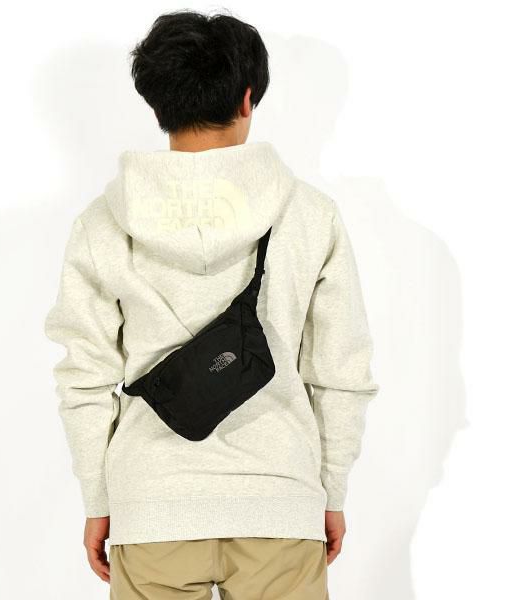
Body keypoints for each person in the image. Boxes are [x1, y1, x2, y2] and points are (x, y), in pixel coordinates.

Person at [44, 9, 379, 599]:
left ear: (157, 104)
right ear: (248, 98)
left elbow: (84, 379)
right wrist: (329, 491)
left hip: (153, 506)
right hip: (279, 501)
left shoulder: (102, 224)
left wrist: (100, 500)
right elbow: (339, 373)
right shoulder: (311, 216)